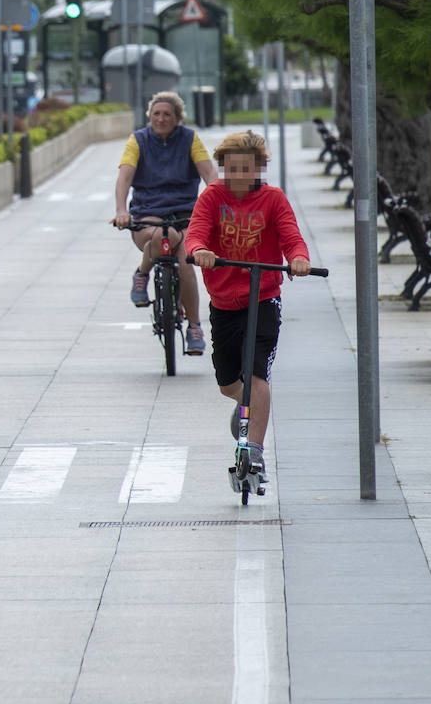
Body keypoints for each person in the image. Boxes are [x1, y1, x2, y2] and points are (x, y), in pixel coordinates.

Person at [185, 131, 311, 479]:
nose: (240, 176)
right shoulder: (212, 198)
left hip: (263, 298)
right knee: (228, 382)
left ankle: (254, 452)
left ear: (260, 168)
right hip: (224, 302)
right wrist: (199, 251)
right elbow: (195, 233)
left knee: (257, 372)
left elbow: (291, 238)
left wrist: (298, 259)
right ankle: (247, 404)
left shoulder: (273, 199)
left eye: (248, 169)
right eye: (233, 168)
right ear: (223, 167)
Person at [111, 91, 218, 356]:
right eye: (156, 114)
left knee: (185, 265)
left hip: (184, 214)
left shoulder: (190, 139)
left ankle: (195, 328)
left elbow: (209, 173)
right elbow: (125, 177)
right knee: (160, 235)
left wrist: (220, 204)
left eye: (167, 114)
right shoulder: (138, 140)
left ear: (178, 118)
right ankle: (143, 273)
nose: (161, 119)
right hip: (147, 213)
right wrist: (122, 210)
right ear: (150, 116)